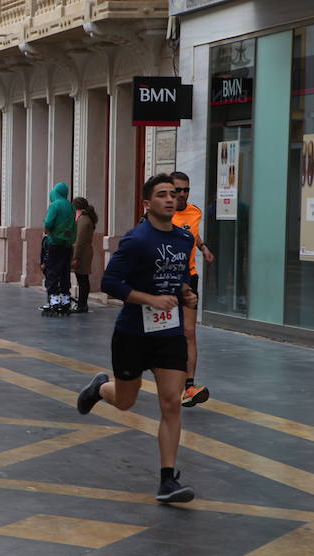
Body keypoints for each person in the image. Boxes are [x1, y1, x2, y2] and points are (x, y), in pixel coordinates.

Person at [76, 173, 198, 503]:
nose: (170, 199)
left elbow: (178, 277)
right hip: (132, 334)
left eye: (173, 194)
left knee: (172, 403)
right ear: (147, 203)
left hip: (169, 334)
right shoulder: (136, 240)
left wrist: (185, 293)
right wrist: (150, 299)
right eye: (162, 195)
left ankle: (167, 480)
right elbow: (110, 282)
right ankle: (99, 388)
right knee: (126, 401)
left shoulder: (184, 239)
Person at [171, 171, 215, 408]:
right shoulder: (160, 214)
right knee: (162, 333)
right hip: (165, 281)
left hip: (190, 278)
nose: (182, 194)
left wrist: (204, 248)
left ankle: (189, 387)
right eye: (178, 190)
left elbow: (194, 233)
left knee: (189, 332)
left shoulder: (195, 211)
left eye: (186, 189)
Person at [42, 182, 75, 315]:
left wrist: (47, 230)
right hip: (67, 244)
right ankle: (65, 299)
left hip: (54, 242)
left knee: (52, 272)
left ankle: (54, 300)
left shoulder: (54, 205)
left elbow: (49, 223)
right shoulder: (71, 207)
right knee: (65, 271)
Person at [71, 197, 97, 313]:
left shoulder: (83, 220)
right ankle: (82, 304)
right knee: (82, 279)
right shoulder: (84, 218)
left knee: (82, 279)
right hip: (85, 251)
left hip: (83, 253)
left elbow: (79, 240)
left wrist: (75, 257)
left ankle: (82, 304)